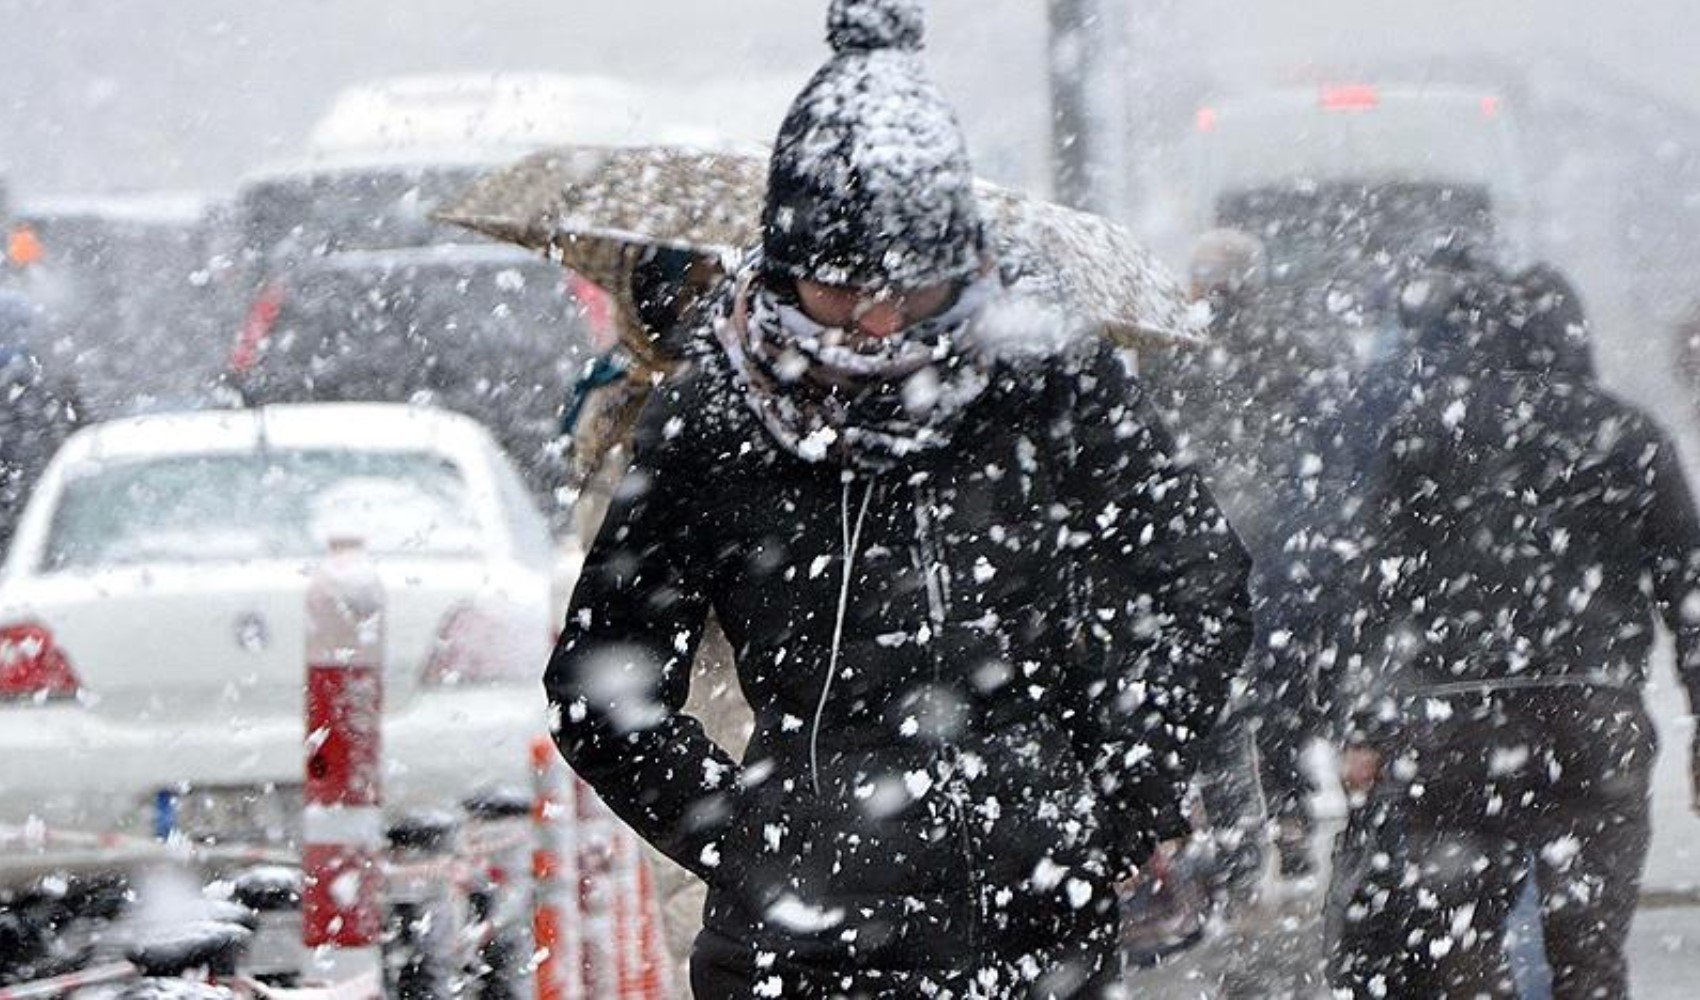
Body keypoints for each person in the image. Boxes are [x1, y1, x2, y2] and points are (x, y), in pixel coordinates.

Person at [544, 1, 1254, 996]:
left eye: (909, 286)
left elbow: (1195, 580)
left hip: (1035, 928)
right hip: (799, 954)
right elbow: (598, 686)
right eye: (840, 286)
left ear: (961, 258)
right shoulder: (713, 414)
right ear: (786, 266)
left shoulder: (1044, 378)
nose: (877, 319)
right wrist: (749, 841)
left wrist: (1123, 790)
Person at [1323, 258, 1700, 999]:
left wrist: (1364, 722)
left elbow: (1372, 587)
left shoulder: (1426, 430)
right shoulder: (1626, 432)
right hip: (1593, 713)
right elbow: (1688, 584)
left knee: (1459, 946)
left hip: (1453, 719)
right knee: (1589, 950)